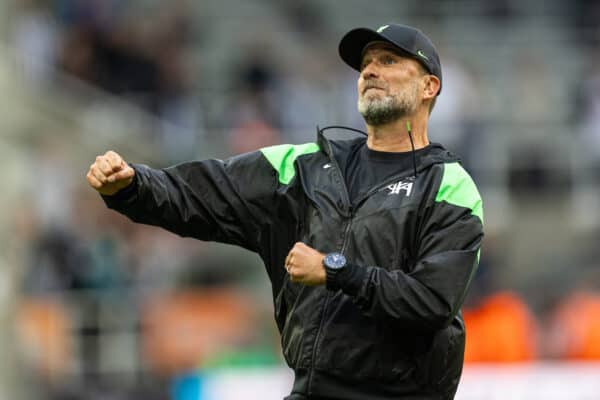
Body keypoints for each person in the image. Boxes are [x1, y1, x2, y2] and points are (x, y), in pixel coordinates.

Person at [87, 23, 484, 400]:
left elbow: (431, 302)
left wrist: (335, 271)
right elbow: (203, 192)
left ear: (429, 86)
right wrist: (132, 185)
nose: (370, 72)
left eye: (389, 61)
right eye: (365, 65)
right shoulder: (302, 166)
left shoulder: (449, 186)